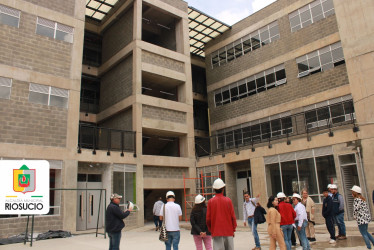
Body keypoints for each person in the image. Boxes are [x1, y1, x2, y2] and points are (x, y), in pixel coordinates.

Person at [206, 178, 237, 250]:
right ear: (223, 188)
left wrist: (211, 230)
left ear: (214, 189)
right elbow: (233, 217)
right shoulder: (228, 200)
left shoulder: (210, 202)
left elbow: (208, 219)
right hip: (228, 231)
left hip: (216, 232)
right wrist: (233, 229)